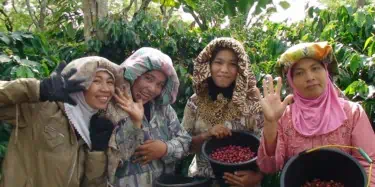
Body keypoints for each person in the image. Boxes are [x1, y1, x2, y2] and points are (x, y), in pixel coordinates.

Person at [256, 42, 375, 186]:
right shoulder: (284, 118)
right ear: (291, 81)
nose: (310, 77)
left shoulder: (353, 113)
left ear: (326, 72)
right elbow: (269, 167)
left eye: (315, 68)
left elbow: (370, 163)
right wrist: (270, 123)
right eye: (299, 73)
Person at [0, 56, 120, 187]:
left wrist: (97, 153)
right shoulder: (42, 108)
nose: (106, 89)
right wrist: (38, 89)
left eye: (110, 82)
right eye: (96, 81)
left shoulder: (98, 126)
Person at [103, 47, 191, 187]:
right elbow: (113, 158)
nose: (152, 89)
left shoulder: (164, 110)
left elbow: (186, 142)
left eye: (160, 85)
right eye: (148, 78)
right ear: (135, 74)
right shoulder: (111, 108)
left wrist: (165, 149)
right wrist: (135, 122)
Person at [181, 37, 264, 187]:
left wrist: (257, 176)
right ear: (209, 65)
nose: (224, 70)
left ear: (240, 68)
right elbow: (182, 146)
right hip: (202, 180)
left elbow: (268, 147)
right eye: (218, 62)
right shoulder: (195, 102)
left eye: (232, 64)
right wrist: (207, 135)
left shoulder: (252, 102)